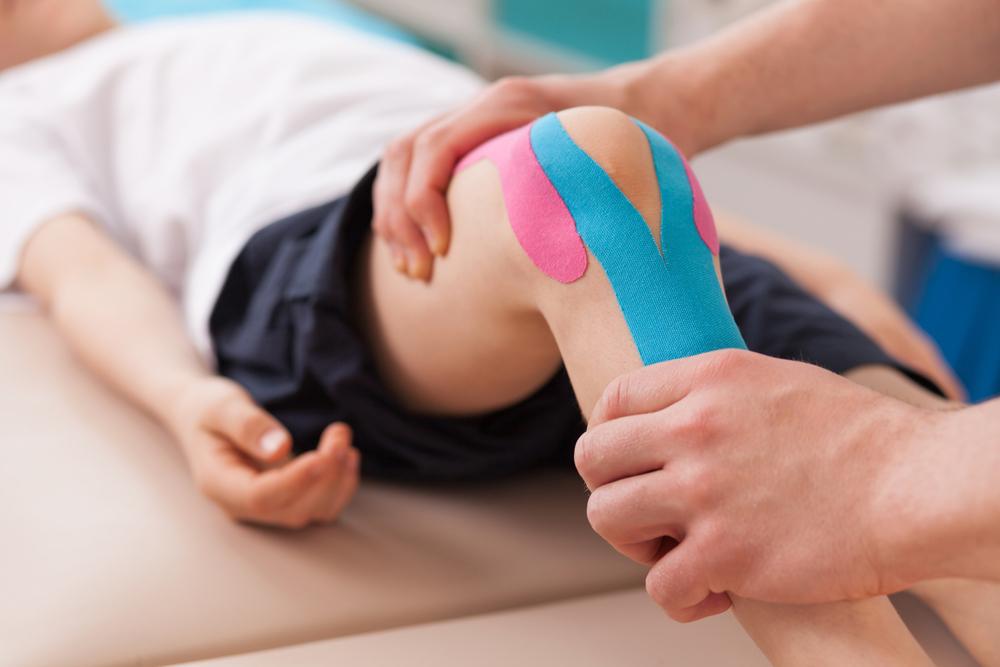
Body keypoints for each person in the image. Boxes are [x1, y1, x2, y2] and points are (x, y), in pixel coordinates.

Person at [3, 1, 996, 664]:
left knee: (896, 418)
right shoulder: (23, 104)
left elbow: (628, 191)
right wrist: (189, 403)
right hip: (363, 264)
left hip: (586, 229)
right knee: (572, 165)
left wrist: (796, 271)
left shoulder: (307, 23)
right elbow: (81, 273)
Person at [373, 0, 1000, 630]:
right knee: (587, 163)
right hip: (445, 221)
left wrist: (885, 463)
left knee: (591, 168)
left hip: (596, 220)